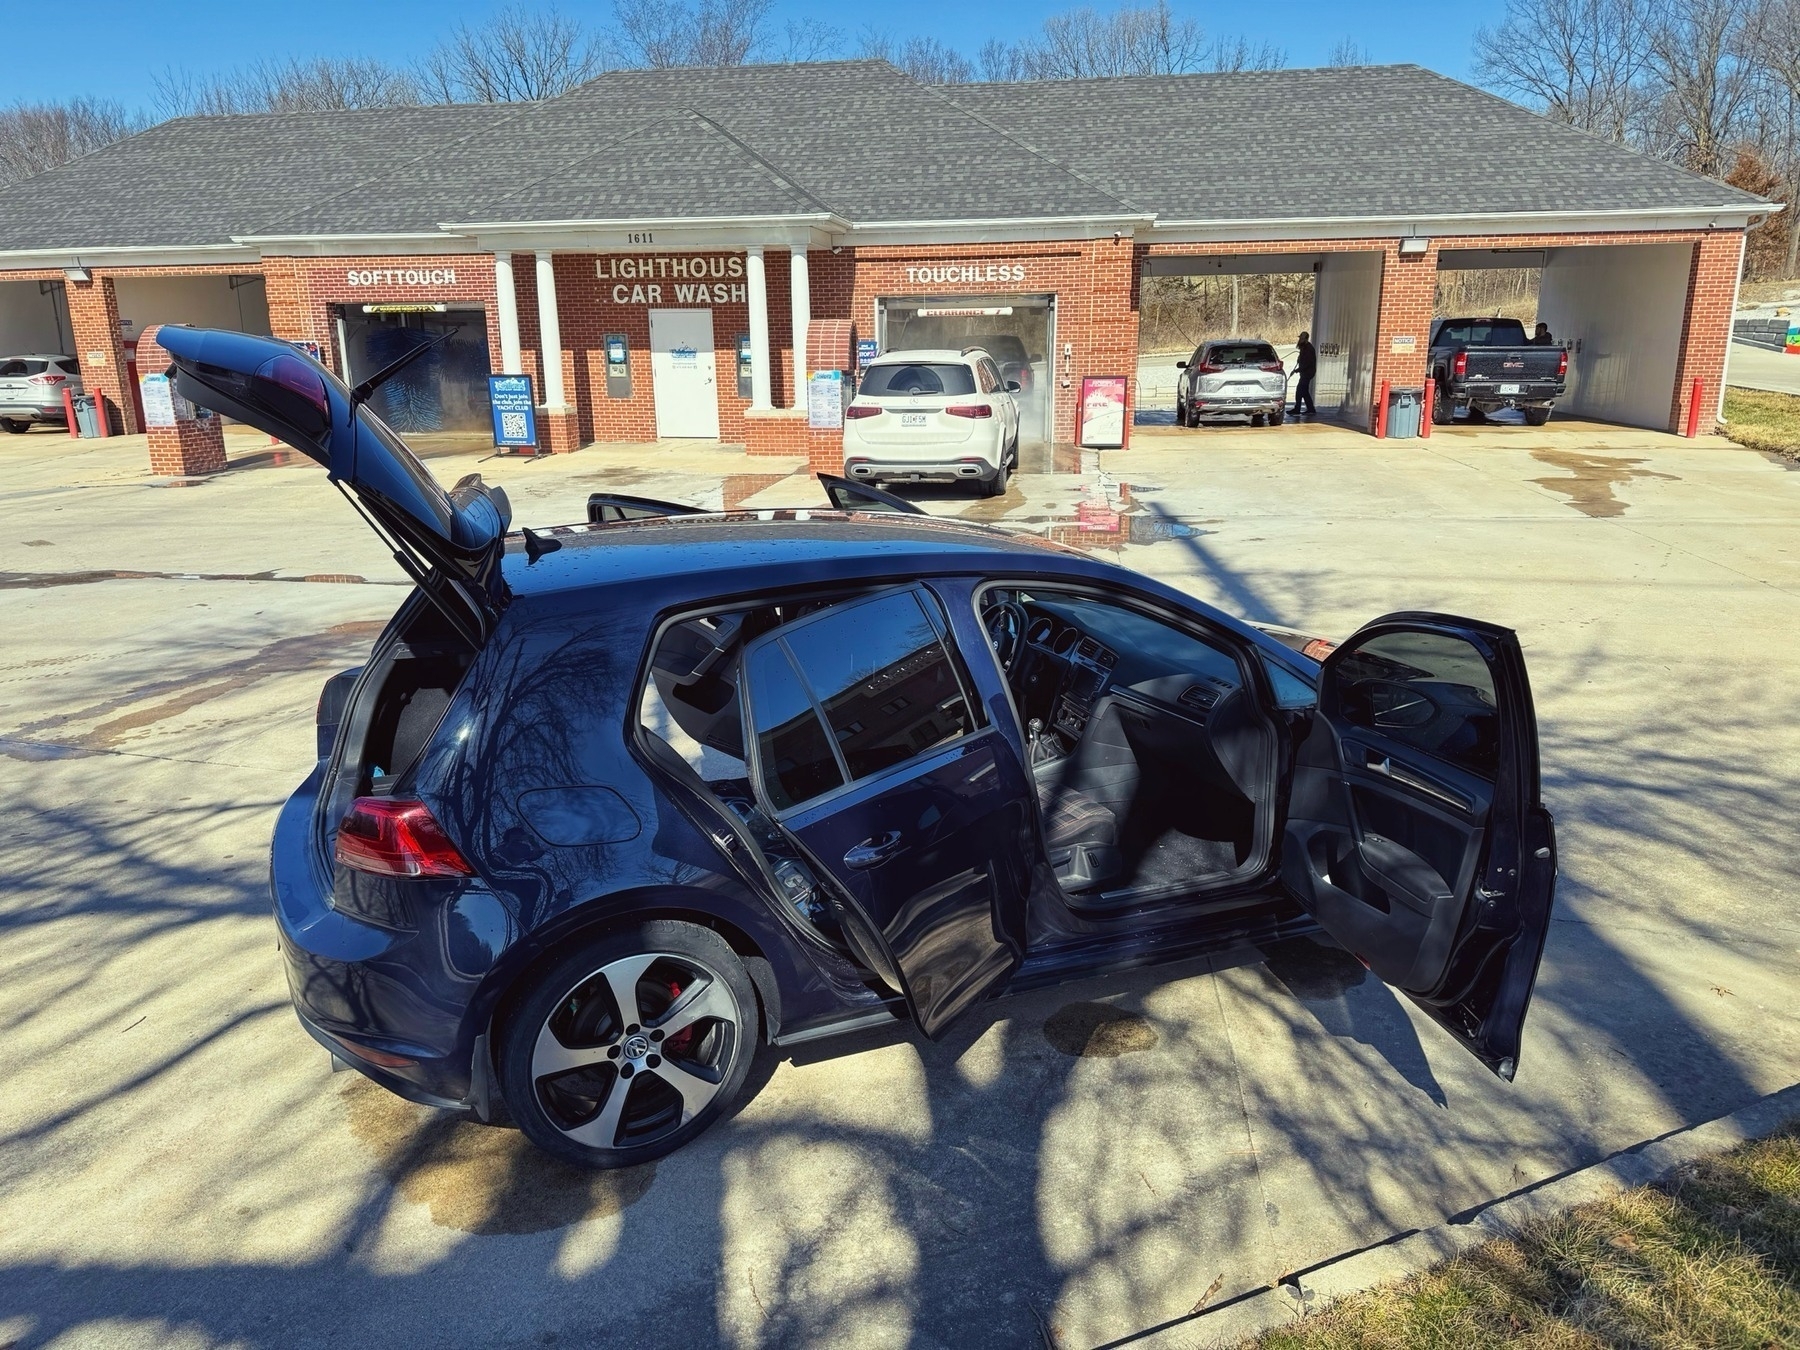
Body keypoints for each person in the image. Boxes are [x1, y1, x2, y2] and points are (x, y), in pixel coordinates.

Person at [1292, 331, 1317, 418]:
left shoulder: (1309, 349)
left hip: (1307, 373)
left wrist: (1297, 370)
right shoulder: (1304, 348)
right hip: (1305, 373)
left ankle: (1297, 409)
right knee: (1304, 391)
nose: (1300, 340)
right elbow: (1303, 361)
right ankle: (1310, 409)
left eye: (1301, 338)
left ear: (1305, 339)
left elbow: (1307, 363)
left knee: (1299, 390)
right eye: (1300, 338)